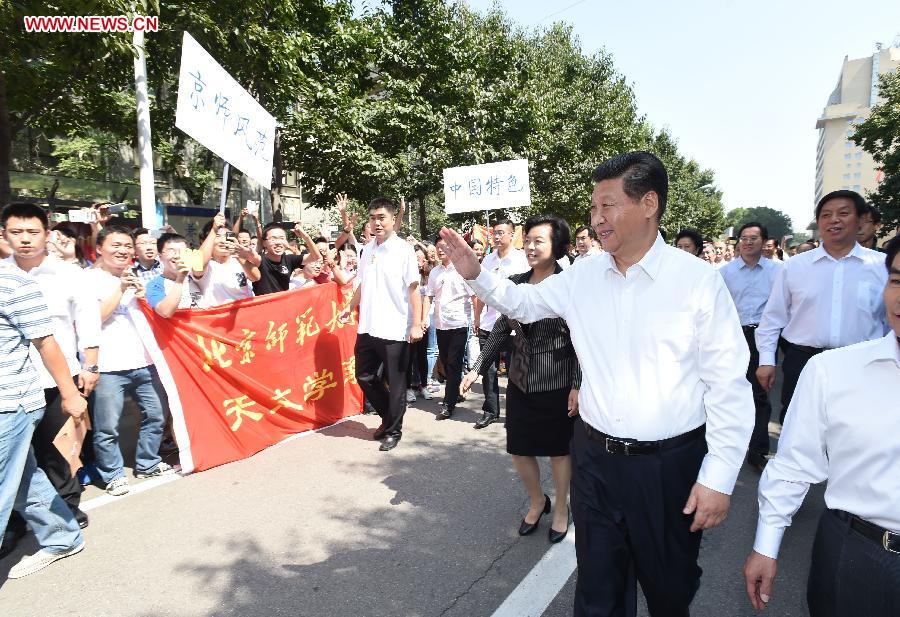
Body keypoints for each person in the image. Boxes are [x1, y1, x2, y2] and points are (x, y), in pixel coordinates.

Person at [439, 151, 753, 616]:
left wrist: (719, 478)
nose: (596, 219)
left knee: (670, 591)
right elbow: (523, 303)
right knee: (598, 592)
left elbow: (728, 386)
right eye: (593, 208)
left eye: (607, 206)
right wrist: (476, 274)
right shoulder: (582, 275)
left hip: (667, 470)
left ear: (648, 204)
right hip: (595, 461)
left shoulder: (697, 282)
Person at [743, 235, 900, 617]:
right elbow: (795, 462)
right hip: (859, 554)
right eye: (897, 280)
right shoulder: (833, 371)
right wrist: (766, 545)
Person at [461, 214, 580, 543]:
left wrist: (577, 384)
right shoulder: (513, 282)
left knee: (559, 451)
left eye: (538, 241)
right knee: (519, 448)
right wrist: (476, 367)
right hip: (520, 378)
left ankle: (561, 508)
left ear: (557, 246)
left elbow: (581, 340)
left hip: (557, 381)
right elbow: (501, 329)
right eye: (526, 240)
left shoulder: (569, 285)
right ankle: (538, 500)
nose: (529, 246)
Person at [1, 203, 100, 536]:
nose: (25, 239)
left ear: (47, 234)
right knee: (16, 455)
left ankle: (67, 506)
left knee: (57, 448)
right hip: (13, 381)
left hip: (59, 377)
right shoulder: (3, 275)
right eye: (16, 232)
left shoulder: (69, 274)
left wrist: (90, 365)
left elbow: (87, 321)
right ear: (4, 235)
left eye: (33, 232)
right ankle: (16, 521)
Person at [756, 190, 889, 427]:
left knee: (857, 429)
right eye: (826, 215)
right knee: (799, 428)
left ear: (860, 220)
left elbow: (890, 321)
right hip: (803, 362)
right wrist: (766, 360)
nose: (834, 220)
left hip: (862, 363)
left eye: (843, 213)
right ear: (819, 223)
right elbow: (773, 318)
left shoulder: (881, 267)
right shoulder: (794, 267)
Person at [0, 263, 88, 579]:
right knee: (23, 478)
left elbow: (46, 342)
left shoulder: (13, 282)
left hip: (10, 404)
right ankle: (62, 537)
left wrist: (70, 394)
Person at [84, 226, 176, 496]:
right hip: (108, 366)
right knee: (107, 426)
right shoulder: (88, 279)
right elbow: (93, 318)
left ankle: (147, 463)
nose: (122, 251)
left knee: (157, 415)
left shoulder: (134, 276)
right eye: (116, 245)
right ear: (99, 248)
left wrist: (142, 296)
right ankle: (113, 475)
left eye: (127, 246)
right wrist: (121, 289)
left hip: (144, 360)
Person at [339, 198, 422, 452]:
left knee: (396, 382)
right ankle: (389, 417)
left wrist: (417, 323)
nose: (376, 222)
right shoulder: (367, 250)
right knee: (364, 375)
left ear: (392, 219)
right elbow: (362, 284)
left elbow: (414, 288)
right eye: (373, 218)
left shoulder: (403, 250)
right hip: (368, 326)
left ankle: (393, 430)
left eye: (381, 217)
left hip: (395, 327)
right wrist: (349, 307)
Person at [719, 222, 782, 472]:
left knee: (759, 395)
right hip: (733, 337)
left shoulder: (778, 272)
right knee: (729, 392)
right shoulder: (725, 273)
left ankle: (757, 451)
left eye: (753, 238)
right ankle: (728, 446)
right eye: (743, 238)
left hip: (763, 337)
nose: (747, 242)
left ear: (764, 242)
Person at [472, 220, 529, 429]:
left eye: (501, 233)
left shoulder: (522, 259)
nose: (496, 237)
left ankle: (516, 413)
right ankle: (490, 411)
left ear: (512, 235)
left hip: (515, 326)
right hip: (489, 324)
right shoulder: (487, 260)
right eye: (494, 233)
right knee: (488, 370)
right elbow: (481, 291)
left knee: (516, 372)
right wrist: (477, 317)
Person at [422, 237, 475, 420]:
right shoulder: (435, 272)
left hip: (459, 323)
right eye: (437, 247)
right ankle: (457, 390)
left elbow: (474, 296)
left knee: (453, 363)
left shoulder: (462, 270)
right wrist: (424, 318)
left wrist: (476, 320)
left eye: (444, 247)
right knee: (446, 362)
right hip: (440, 324)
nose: (440, 250)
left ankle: (448, 404)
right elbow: (428, 296)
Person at [193, 214, 260, 306]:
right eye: (218, 236)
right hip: (219, 314)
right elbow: (198, 267)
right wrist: (214, 230)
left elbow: (256, 277)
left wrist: (238, 254)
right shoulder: (206, 264)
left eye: (226, 236)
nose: (223, 240)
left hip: (244, 312)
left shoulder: (238, 260)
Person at [252, 223, 320, 295]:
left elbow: (315, 257)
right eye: (273, 239)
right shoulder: (259, 260)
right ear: (264, 243)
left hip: (284, 301)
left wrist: (305, 236)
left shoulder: (289, 259)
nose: (278, 242)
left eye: (282, 238)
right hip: (264, 302)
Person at [145, 233, 203, 317]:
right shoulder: (154, 285)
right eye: (171, 251)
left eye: (183, 251)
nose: (177, 256)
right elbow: (165, 312)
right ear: (160, 256)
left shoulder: (196, 277)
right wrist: (180, 279)